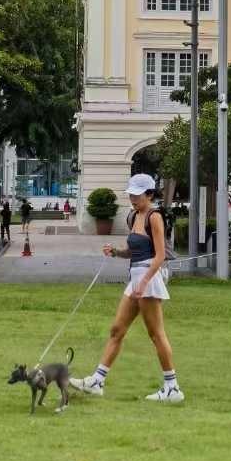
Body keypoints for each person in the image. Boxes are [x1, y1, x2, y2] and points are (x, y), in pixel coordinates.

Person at [70, 173, 184, 404]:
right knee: (117, 330)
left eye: (137, 194)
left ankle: (172, 388)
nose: (132, 198)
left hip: (148, 279)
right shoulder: (134, 216)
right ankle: (97, 381)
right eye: (131, 194)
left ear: (149, 194)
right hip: (136, 277)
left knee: (156, 334)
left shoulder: (154, 217)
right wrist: (116, 252)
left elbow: (160, 255)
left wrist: (143, 283)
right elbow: (133, 251)